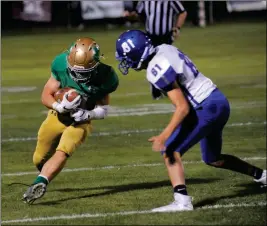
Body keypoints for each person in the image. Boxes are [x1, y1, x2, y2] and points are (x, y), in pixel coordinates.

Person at [115, 30, 266, 212]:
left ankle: (182, 201)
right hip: (218, 101)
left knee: (171, 150)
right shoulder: (165, 48)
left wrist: (164, 136)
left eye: (126, 57)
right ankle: (262, 175)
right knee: (213, 158)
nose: (126, 62)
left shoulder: (155, 69)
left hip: (205, 107)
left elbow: (183, 107)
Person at [22, 37, 119, 204]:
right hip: (57, 116)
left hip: (81, 121)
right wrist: (59, 107)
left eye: (83, 71)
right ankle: (45, 170)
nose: (78, 74)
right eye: (75, 69)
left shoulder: (106, 75)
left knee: (63, 150)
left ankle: (41, 181)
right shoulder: (60, 63)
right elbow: (46, 94)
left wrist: (88, 115)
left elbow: (104, 110)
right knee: (38, 159)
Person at [124, 1, 187, 100]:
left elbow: (182, 12)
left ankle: (173, 88)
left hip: (166, 36)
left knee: (167, 62)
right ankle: (156, 90)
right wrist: (130, 15)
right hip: (150, 36)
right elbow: (137, 14)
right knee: (151, 63)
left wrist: (177, 28)